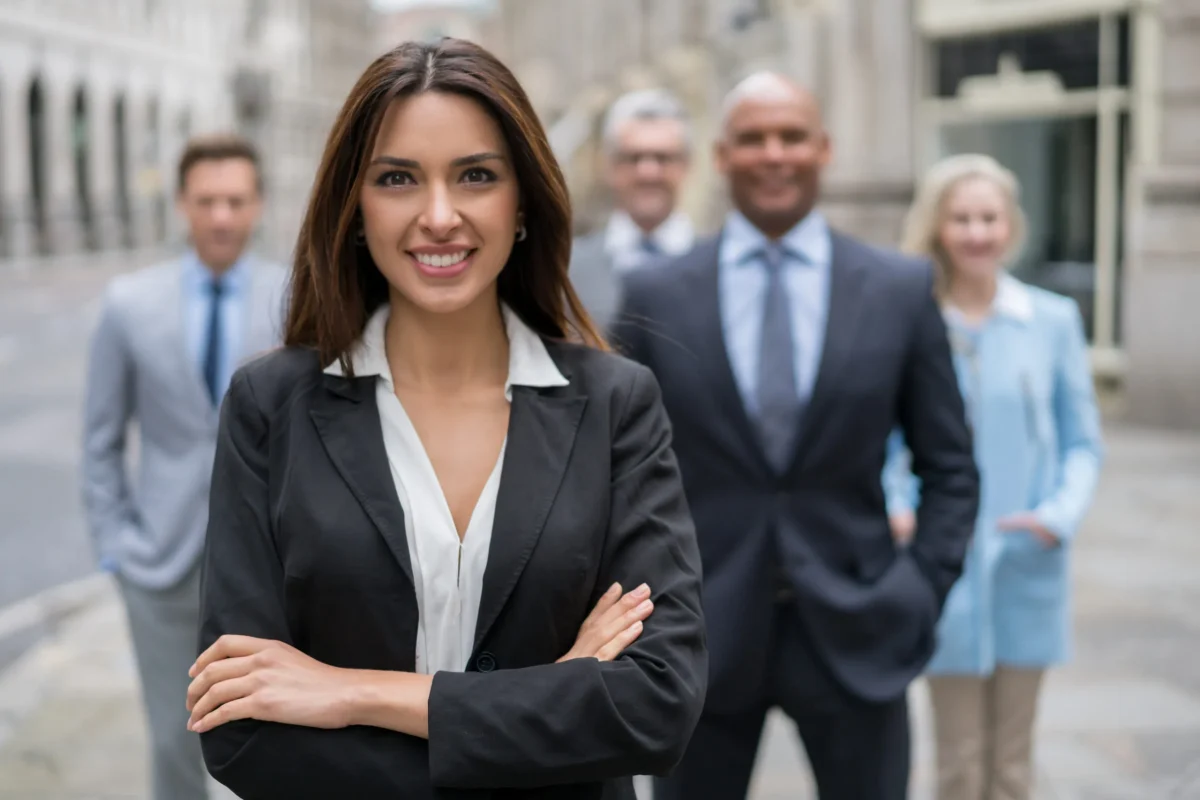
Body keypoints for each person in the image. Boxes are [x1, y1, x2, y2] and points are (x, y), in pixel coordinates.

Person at [184, 38, 707, 799]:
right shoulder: (271, 405)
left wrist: (353, 692)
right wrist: (555, 695)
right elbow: (238, 731)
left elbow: (657, 706)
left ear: (521, 201)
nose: (439, 215)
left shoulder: (616, 403)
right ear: (355, 207)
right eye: (397, 178)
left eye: (476, 176)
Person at [611, 71, 980, 800]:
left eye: (791, 137)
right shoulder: (657, 293)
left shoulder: (901, 288)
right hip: (700, 638)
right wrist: (646, 609)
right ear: (721, 156)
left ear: (824, 149)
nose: (772, 154)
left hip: (861, 630)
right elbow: (616, 470)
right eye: (752, 138)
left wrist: (919, 589)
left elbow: (952, 467)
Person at [883, 154, 1104, 800]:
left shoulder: (1052, 320)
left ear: (1011, 226)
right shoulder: (914, 321)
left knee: (1011, 765)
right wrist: (899, 505)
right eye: (962, 218)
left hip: (1026, 558)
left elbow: (1082, 443)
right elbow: (888, 440)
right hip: (939, 564)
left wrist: (1057, 517)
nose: (977, 232)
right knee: (956, 762)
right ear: (937, 227)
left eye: (990, 217)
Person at [81, 134, 287, 800]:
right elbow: (100, 439)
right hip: (160, 562)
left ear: (256, 206)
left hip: (272, 560)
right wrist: (116, 548)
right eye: (207, 201)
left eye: (235, 200)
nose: (221, 216)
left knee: (274, 739)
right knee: (174, 739)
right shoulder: (128, 304)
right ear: (182, 205)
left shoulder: (296, 297)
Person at [570, 88, 695, 331]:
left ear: (687, 165)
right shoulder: (567, 272)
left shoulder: (720, 268)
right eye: (633, 158)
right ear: (609, 166)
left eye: (662, 158)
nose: (648, 172)